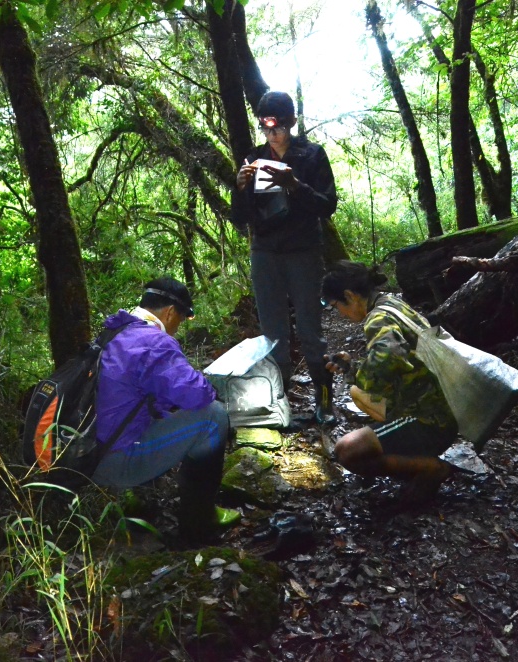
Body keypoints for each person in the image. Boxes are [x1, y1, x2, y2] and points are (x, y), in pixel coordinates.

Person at [91, 277, 237, 543]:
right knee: (214, 417)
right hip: (116, 461)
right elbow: (199, 396)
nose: (177, 328)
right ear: (170, 312)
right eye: (180, 320)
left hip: (92, 453)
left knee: (173, 415)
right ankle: (199, 523)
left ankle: (145, 502)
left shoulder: (116, 332)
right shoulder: (153, 342)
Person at [231, 90, 338, 424]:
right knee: (272, 331)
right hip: (265, 253)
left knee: (309, 327)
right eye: (265, 127)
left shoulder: (312, 155)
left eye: (276, 126)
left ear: (291, 122)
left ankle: (324, 401)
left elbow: (328, 205)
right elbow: (239, 218)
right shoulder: (254, 158)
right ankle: (280, 401)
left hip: (303, 251)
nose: (271, 133)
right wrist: (240, 188)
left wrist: (295, 185)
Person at [321, 261, 459, 499]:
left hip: (429, 420)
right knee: (357, 393)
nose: (340, 315)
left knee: (346, 450)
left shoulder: (378, 319)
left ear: (349, 296)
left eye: (336, 306)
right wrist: (351, 368)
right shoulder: (392, 304)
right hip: (445, 407)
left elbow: (390, 357)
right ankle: (412, 454)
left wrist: (359, 375)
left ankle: (432, 468)